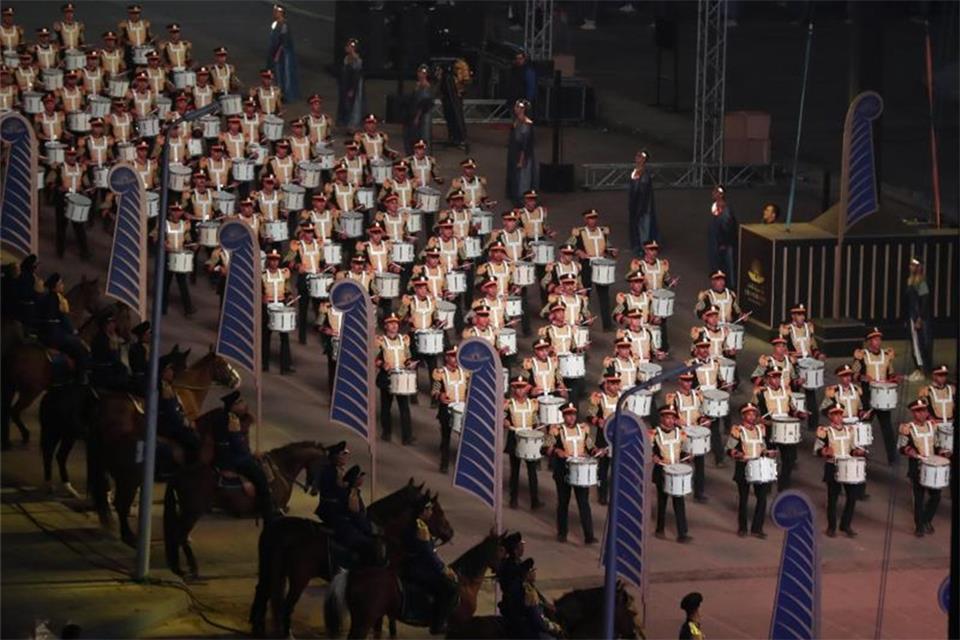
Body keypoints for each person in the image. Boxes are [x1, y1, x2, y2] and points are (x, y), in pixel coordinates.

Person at [213, 391, 276, 521]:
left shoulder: (226, 417)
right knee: (262, 479)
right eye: (240, 403)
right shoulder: (232, 421)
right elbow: (237, 444)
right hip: (234, 460)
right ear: (232, 407)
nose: (244, 405)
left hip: (231, 456)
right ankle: (268, 515)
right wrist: (252, 455)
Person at [403, 497, 459, 635]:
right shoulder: (421, 529)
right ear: (422, 512)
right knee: (449, 587)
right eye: (428, 509)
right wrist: (444, 569)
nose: (431, 512)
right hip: (419, 569)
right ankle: (438, 623)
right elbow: (429, 555)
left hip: (419, 564)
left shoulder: (418, 524)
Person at [544, 402, 597, 544]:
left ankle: (589, 535)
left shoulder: (584, 429)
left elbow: (590, 446)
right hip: (563, 471)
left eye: (573, 414)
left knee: (584, 503)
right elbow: (545, 448)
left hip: (580, 470)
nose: (571, 417)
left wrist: (595, 451)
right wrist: (556, 451)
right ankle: (562, 533)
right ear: (563, 416)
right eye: (568, 415)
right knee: (563, 502)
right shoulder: (556, 431)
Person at [815, 403, 866, 537]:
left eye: (840, 414)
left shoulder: (849, 430)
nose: (838, 417)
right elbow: (817, 450)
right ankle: (831, 527)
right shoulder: (824, 431)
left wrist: (857, 451)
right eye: (835, 414)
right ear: (830, 416)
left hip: (848, 465)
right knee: (833, 498)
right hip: (833, 466)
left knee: (852, 497)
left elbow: (853, 447)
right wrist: (825, 451)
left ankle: (846, 525)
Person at [726, 402, 774, 538]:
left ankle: (757, 528)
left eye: (754, 414)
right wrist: (736, 454)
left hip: (759, 466)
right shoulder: (738, 430)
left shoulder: (760, 429)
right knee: (744, 499)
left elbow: (762, 446)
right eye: (749, 414)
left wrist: (767, 452)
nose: (752, 417)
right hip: (744, 466)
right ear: (743, 416)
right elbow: (728, 449)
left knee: (762, 498)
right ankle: (742, 528)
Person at [852, 327, 899, 464]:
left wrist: (894, 378)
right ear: (868, 341)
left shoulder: (886, 356)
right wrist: (862, 377)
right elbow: (852, 374)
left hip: (883, 398)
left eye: (878, 339)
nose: (877, 342)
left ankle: (892, 458)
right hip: (868, 397)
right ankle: (860, 453)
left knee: (887, 428)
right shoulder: (862, 356)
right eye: (874, 339)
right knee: (864, 427)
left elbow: (890, 373)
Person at [665, 371, 711, 502]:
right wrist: (676, 422)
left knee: (700, 463)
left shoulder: (698, 395)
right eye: (685, 381)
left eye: (690, 381)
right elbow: (669, 416)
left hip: (697, 433)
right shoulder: (673, 397)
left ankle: (699, 492)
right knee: (679, 462)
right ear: (680, 381)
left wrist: (703, 420)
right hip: (682, 433)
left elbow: (702, 411)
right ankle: (676, 488)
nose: (688, 383)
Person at [35, 273, 89, 383]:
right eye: (60, 284)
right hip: (53, 334)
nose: (63, 286)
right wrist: (73, 332)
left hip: (47, 332)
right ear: (55, 287)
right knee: (80, 348)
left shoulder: (48, 296)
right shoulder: (56, 299)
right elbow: (62, 319)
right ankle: (80, 377)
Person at [569, 209, 617, 331]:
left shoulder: (602, 232)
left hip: (601, 265)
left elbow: (608, 246)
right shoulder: (579, 233)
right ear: (585, 220)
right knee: (585, 295)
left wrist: (612, 251)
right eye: (590, 218)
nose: (593, 221)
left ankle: (607, 324)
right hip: (586, 265)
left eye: (594, 218)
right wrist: (578, 251)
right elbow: (568, 246)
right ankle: (583, 322)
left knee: (604, 295)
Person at [651, 404, 693, 543]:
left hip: (677, 471)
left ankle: (682, 533)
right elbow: (647, 450)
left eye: (672, 418)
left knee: (679, 501)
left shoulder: (680, 433)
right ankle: (659, 529)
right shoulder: (654, 434)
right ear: (661, 418)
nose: (670, 420)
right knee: (662, 501)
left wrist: (687, 455)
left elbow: (683, 450)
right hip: (662, 471)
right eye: (667, 417)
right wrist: (653, 457)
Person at [505, 376, 542, 510]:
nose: (521, 391)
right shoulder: (508, 404)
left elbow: (535, 420)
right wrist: (505, 422)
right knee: (514, 471)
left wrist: (538, 425)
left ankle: (535, 500)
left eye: (523, 387)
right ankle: (513, 499)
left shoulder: (533, 404)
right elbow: (503, 418)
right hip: (515, 438)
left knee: (532, 471)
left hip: (530, 439)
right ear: (514, 389)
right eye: (518, 388)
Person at [502, 558, 563, 639]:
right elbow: (537, 620)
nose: (535, 573)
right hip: (531, 631)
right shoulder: (529, 593)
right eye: (532, 571)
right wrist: (555, 627)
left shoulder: (522, 586)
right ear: (527, 574)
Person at [377, 313, 415, 444]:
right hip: (387, 377)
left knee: (404, 408)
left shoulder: (404, 339)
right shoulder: (380, 341)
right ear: (386, 326)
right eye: (391, 323)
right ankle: (386, 432)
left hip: (402, 376)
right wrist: (382, 364)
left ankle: (407, 437)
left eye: (396, 323)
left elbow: (408, 356)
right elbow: (374, 358)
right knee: (386, 407)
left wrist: (410, 364)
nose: (394, 326)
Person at [157, 353, 200, 467]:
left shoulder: (167, 386)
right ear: (163, 372)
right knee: (194, 441)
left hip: (174, 421)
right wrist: (187, 423)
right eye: (169, 369)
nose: (172, 372)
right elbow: (171, 412)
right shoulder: (163, 388)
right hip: (168, 425)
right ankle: (189, 467)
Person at [432, 345, 469, 473]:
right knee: (446, 437)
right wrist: (439, 396)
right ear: (447, 357)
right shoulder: (440, 373)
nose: (455, 359)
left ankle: (464, 464)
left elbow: (470, 387)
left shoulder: (465, 372)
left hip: (463, 408)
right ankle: (444, 463)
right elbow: (435, 390)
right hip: (447, 409)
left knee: (464, 438)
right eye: (453, 356)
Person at [261, 249, 295, 374]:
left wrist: (290, 296)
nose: (274, 263)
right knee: (265, 336)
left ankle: (285, 366)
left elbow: (287, 288)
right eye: (271, 260)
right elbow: (257, 291)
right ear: (268, 261)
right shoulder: (262, 275)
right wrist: (261, 298)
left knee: (284, 337)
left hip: (281, 306)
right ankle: (264, 364)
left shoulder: (284, 273)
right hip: (268, 307)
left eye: (276, 260)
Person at [162, 203, 196, 316]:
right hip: (168, 257)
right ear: (170, 212)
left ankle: (188, 309)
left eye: (179, 211)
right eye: (174, 211)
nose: (177, 213)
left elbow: (187, 238)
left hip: (180, 257)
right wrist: (163, 244)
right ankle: (162, 308)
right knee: (165, 284)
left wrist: (191, 244)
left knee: (183, 285)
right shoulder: (164, 224)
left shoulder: (184, 225)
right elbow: (155, 236)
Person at [905, 257, 933, 380]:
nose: (911, 267)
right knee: (915, 344)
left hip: (919, 318)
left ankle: (924, 370)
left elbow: (925, 301)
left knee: (922, 343)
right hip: (911, 316)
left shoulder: (922, 282)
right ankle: (918, 367)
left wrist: (920, 318)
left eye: (913, 265)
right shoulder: (910, 282)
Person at [506, 99, 537, 207]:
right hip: (514, 153)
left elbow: (525, 144)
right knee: (515, 177)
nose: (515, 109)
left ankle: (523, 199)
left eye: (518, 107)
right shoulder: (517, 121)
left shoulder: (526, 124)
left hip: (522, 155)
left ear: (523, 109)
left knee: (523, 177)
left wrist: (521, 159)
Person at [89, 311, 131, 391]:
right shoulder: (100, 339)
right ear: (105, 325)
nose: (113, 326)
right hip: (103, 371)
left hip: (113, 369)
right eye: (110, 323)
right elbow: (108, 357)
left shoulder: (113, 338)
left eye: (114, 323)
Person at [265, 4, 299, 102]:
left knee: (284, 74)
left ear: (281, 13)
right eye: (274, 11)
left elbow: (284, 42)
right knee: (275, 74)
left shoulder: (284, 25)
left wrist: (277, 54)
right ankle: (277, 93)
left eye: (276, 11)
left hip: (283, 54)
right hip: (274, 51)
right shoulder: (275, 23)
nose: (274, 13)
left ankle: (285, 95)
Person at [627, 151, 658, 256]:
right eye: (637, 156)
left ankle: (644, 249)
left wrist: (641, 206)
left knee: (644, 227)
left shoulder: (645, 173)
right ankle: (638, 246)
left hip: (644, 206)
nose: (637, 158)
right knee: (637, 226)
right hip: (636, 204)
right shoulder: (635, 171)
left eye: (639, 156)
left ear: (644, 160)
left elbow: (643, 191)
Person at [707, 185, 738, 283]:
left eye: (716, 192)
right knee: (717, 265)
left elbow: (728, 229)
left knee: (728, 266)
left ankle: (731, 287)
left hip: (724, 244)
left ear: (721, 195)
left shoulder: (725, 211)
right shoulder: (716, 207)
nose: (713, 193)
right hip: (716, 241)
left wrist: (724, 243)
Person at [314, 440, 349, 523]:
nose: (345, 457)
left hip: (337, 507)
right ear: (335, 457)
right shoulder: (329, 472)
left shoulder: (338, 470)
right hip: (332, 509)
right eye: (343, 454)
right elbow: (335, 492)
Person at [404, 64, 435, 154]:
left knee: (424, 134)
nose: (421, 75)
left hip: (423, 115)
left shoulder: (426, 87)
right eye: (420, 72)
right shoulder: (417, 85)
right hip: (414, 111)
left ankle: (425, 154)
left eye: (423, 73)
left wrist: (417, 116)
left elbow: (424, 104)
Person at [336, 38, 363, 129]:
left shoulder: (357, 60)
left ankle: (353, 125)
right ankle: (345, 123)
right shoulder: (346, 59)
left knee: (353, 105)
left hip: (353, 85)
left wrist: (352, 89)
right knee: (345, 104)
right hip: (345, 84)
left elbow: (356, 76)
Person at [128, 321, 150, 392]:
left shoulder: (147, 347)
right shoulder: (135, 348)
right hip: (139, 378)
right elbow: (138, 366)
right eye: (147, 334)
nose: (149, 336)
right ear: (142, 336)